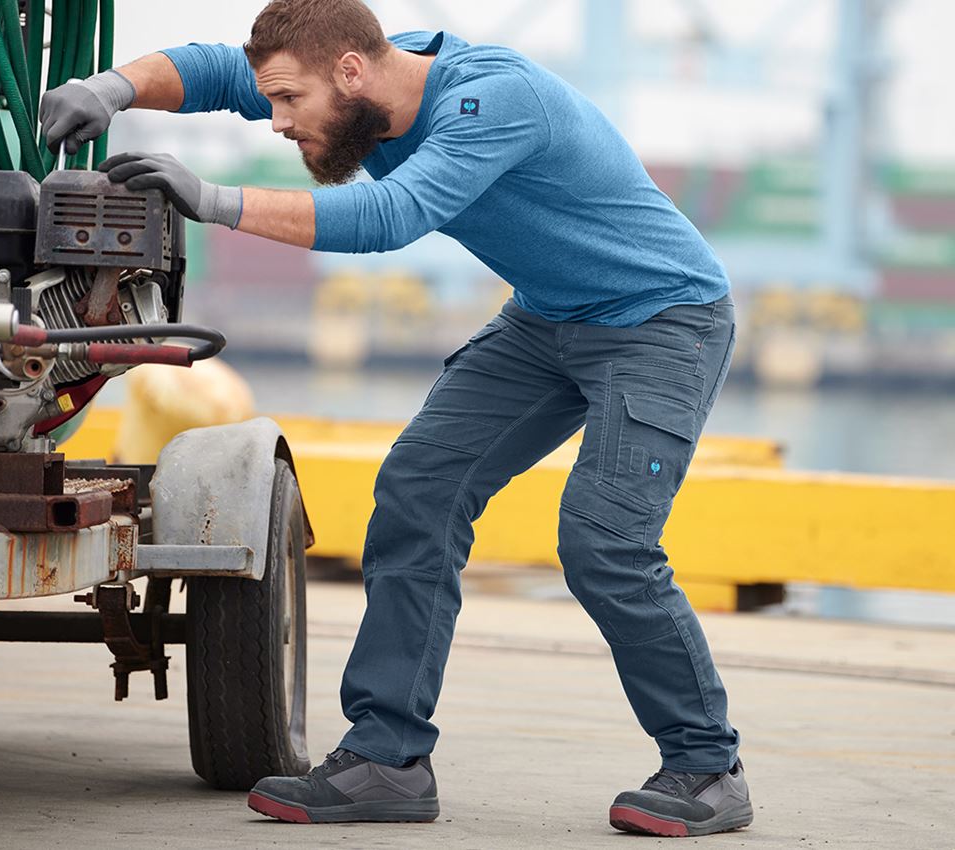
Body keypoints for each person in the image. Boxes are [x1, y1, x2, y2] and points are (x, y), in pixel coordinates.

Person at [40, 0, 752, 837]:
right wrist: (111, 87)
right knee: (420, 491)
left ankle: (708, 766)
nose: (276, 121)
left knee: (604, 541)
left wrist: (211, 198)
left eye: (288, 104)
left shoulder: (491, 101)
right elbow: (214, 65)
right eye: (273, 103)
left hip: (662, 321)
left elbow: (391, 217)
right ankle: (388, 760)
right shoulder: (358, 73)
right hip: (549, 319)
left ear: (350, 72)